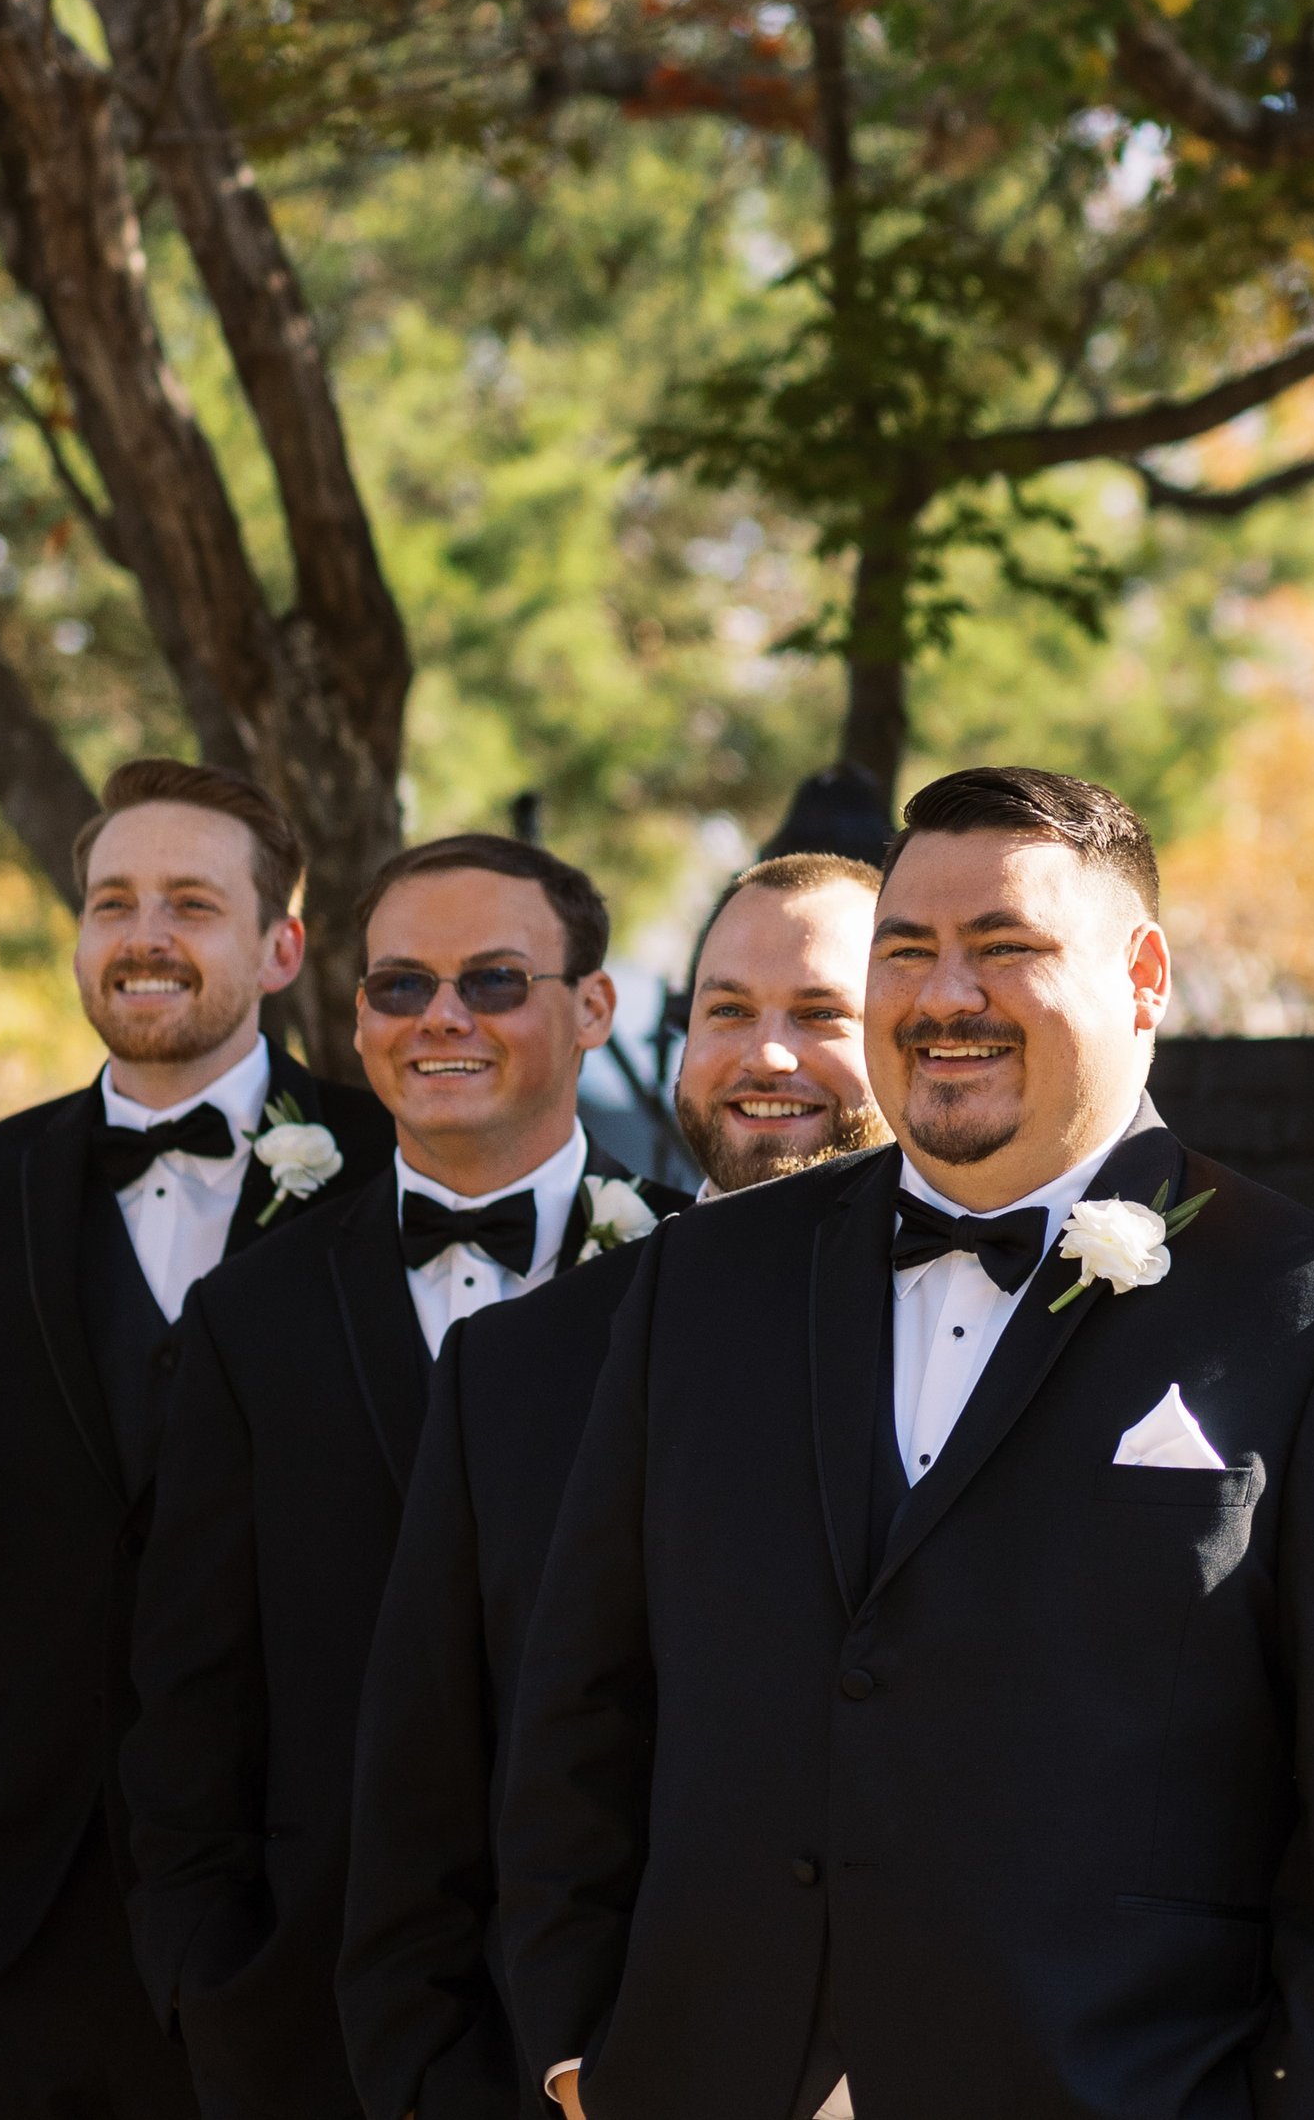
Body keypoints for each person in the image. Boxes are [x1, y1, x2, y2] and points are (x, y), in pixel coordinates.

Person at [496, 763, 1314, 2120]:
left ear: (1144, 976)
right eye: (907, 950)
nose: (945, 994)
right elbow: (585, 1688)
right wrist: (577, 2039)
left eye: (1007, 947)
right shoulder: (708, 1279)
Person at [0, 757, 390, 2120]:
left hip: (292, 1906)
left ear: (280, 946)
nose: (143, 934)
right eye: (113, 901)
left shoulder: (388, 1164)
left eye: (191, 902)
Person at [124, 829, 685, 2120]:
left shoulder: (692, 1282)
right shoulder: (248, 1316)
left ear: (593, 1005)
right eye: (399, 984)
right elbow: (186, 1689)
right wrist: (208, 1977)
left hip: (628, 2007)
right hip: (303, 2015)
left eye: (493, 979)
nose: (442, 1016)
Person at [339, 848, 888, 2120]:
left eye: (822, 1014)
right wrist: (553, 2073)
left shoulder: (1031, 1347)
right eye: (726, 1012)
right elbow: (424, 1805)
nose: (768, 1056)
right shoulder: (518, 1370)